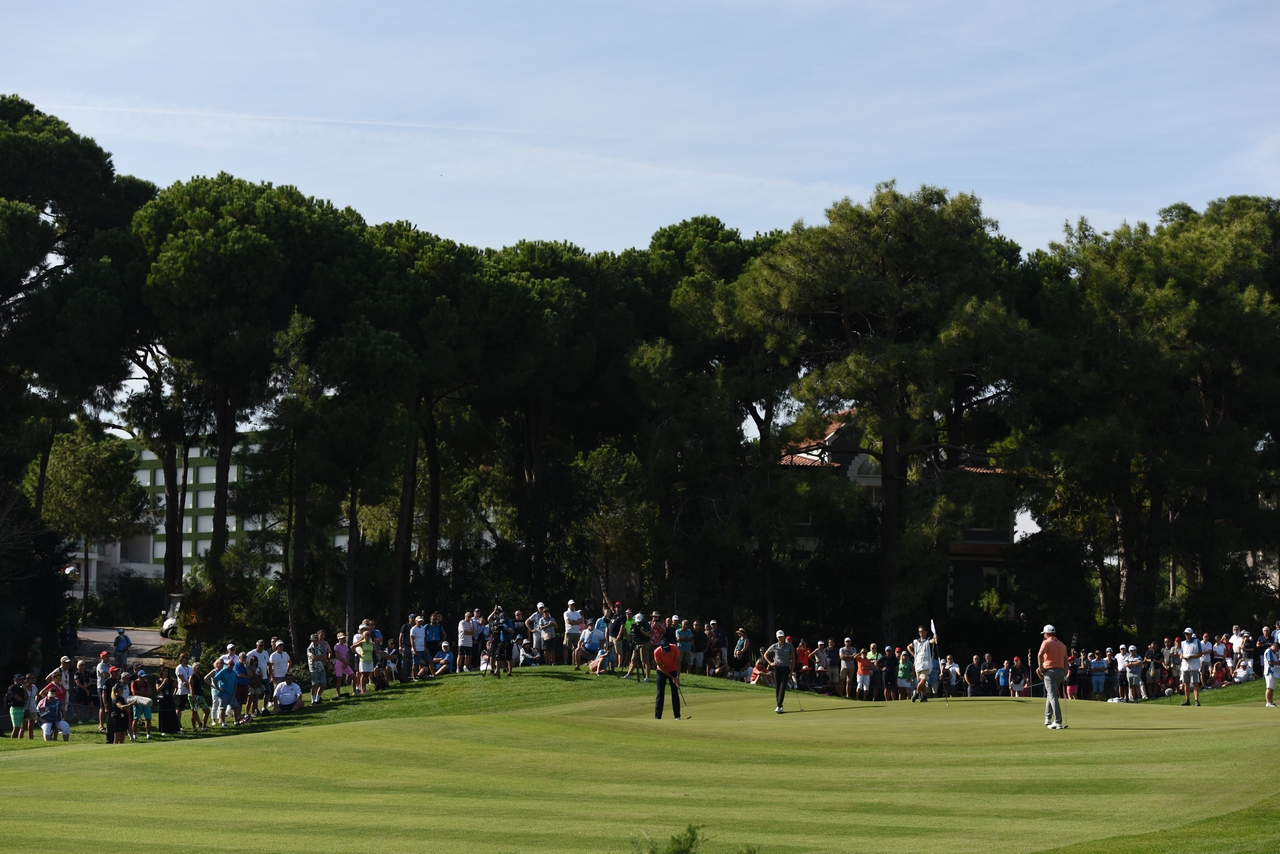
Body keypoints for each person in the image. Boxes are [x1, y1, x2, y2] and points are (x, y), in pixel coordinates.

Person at [1037, 624, 1068, 729]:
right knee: (1051, 694)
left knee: (1053, 696)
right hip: (1060, 672)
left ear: (1047, 634)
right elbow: (1066, 660)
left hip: (1050, 672)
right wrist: (1065, 674)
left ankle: (1058, 721)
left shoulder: (1046, 642)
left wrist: (1041, 668)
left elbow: (1040, 655)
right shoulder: (1062, 645)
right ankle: (1047, 718)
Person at [764, 630, 795, 713]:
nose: (780, 638)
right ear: (777, 638)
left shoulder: (789, 646)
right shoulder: (774, 646)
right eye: (779, 637)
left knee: (783, 687)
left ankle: (779, 705)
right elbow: (765, 655)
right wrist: (771, 663)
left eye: (781, 637)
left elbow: (793, 658)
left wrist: (792, 670)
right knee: (777, 687)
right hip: (776, 668)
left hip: (785, 668)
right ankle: (779, 705)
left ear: (784, 637)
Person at [908, 626, 936, 702]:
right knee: (921, 681)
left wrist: (935, 638)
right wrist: (913, 654)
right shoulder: (915, 641)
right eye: (920, 632)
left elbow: (932, 641)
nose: (921, 633)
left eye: (923, 631)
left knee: (923, 680)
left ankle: (916, 693)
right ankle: (924, 696)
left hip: (926, 664)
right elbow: (909, 647)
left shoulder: (927, 640)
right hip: (918, 664)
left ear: (926, 632)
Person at [1180, 628, 1204, 707]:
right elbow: (1181, 653)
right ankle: (1187, 700)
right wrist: (1182, 656)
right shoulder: (1183, 643)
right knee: (1186, 683)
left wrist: (1192, 656)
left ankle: (1196, 700)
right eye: (1185, 634)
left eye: (1187, 634)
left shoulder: (1197, 641)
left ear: (1191, 634)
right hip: (1185, 666)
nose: (1186, 635)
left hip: (1194, 666)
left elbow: (1200, 653)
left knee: (1195, 683)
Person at [156, 665, 180, 735]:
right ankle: (164, 730)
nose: (166, 673)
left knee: (172, 713)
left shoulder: (170, 680)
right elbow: (158, 689)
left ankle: (175, 729)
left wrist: (174, 693)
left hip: (169, 698)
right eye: (165, 671)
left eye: (167, 672)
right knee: (163, 714)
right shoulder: (158, 680)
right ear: (162, 672)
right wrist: (163, 683)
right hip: (162, 699)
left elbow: (176, 687)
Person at [188, 661, 210, 732]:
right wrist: (193, 697)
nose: (199, 669)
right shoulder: (192, 677)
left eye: (200, 667)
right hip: (194, 695)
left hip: (201, 695)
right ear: (194, 668)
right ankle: (194, 727)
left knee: (207, 711)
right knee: (194, 712)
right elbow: (191, 688)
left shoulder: (201, 676)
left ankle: (204, 727)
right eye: (198, 667)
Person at [174, 653, 193, 732]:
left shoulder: (190, 667)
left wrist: (192, 690)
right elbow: (183, 681)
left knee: (193, 708)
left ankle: (198, 723)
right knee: (180, 708)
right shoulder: (179, 668)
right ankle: (177, 724)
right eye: (185, 658)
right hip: (182, 691)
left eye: (188, 658)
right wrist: (191, 689)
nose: (187, 659)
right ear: (181, 659)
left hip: (190, 691)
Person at [307, 634, 328, 703]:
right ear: (312, 640)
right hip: (313, 668)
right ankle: (313, 700)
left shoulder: (320, 647)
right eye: (314, 640)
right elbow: (313, 658)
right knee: (314, 684)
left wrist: (318, 657)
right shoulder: (309, 649)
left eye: (316, 640)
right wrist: (320, 657)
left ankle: (317, 698)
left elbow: (324, 656)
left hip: (321, 667)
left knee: (323, 684)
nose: (315, 641)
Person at [333, 632, 353, 698]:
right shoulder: (336, 646)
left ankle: (354, 691)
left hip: (345, 662)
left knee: (353, 676)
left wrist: (347, 662)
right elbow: (337, 656)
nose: (342, 639)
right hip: (339, 662)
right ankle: (338, 693)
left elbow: (347, 655)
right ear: (338, 639)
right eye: (341, 638)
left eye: (343, 638)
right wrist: (344, 661)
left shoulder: (345, 646)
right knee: (339, 679)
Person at [409, 616, 429, 680]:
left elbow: (424, 638)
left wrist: (425, 647)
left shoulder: (423, 628)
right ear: (416, 621)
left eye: (421, 621)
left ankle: (420, 675)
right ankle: (414, 677)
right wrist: (414, 650)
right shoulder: (413, 629)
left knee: (422, 663)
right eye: (419, 621)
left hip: (422, 648)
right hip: (416, 649)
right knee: (415, 664)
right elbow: (412, 640)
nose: (420, 622)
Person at [6, 674, 26, 738]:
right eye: (21, 679)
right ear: (16, 680)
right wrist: (24, 701)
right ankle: (13, 740)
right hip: (15, 709)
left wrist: (24, 689)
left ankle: (17, 739)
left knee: (19, 727)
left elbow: (26, 697)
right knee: (16, 727)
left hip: (21, 708)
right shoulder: (12, 688)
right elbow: (17, 698)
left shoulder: (21, 689)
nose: (22, 680)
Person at [1263, 640, 1279, 708]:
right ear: (1275, 646)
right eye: (1278, 648)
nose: (1278, 650)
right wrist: (1278, 663)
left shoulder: (1272, 652)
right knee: (1269, 687)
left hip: (1273, 672)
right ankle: (1268, 702)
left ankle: (1271, 702)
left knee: (1272, 688)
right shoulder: (1269, 651)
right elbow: (1270, 662)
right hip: (1269, 672)